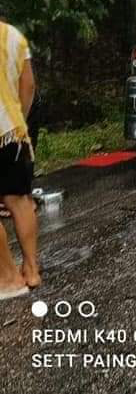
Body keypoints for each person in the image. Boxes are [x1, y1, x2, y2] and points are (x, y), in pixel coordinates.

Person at [0, 18, 40, 298]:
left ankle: (9, 278)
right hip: (13, 131)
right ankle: (31, 270)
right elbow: (29, 86)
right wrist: (19, 119)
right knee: (20, 200)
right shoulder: (13, 34)